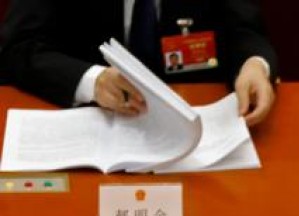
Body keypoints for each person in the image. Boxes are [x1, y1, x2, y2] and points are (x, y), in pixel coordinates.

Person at [0, 0, 279, 126]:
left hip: (195, 128)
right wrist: (91, 81)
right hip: (92, 124)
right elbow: (18, 47)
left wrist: (255, 65)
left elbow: (245, 32)